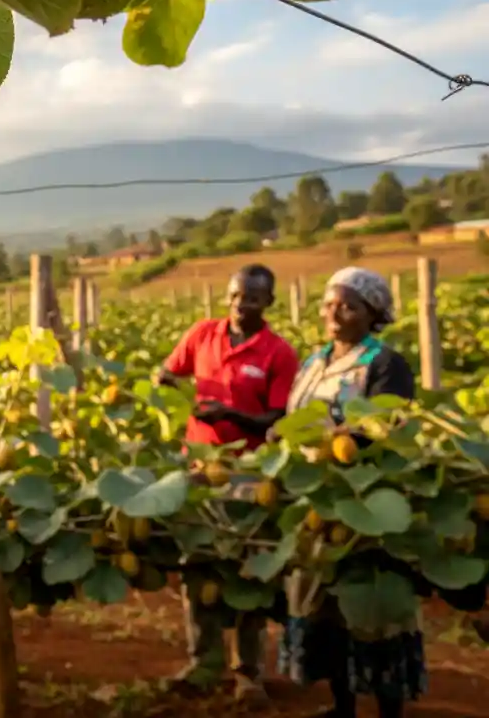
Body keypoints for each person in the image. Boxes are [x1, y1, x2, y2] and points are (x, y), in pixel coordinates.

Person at [275, 267, 422, 718]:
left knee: (374, 612)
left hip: (368, 499)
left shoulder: (384, 363)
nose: (334, 313)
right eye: (329, 305)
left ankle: (388, 710)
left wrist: (338, 443)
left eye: (348, 305)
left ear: (372, 313)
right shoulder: (313, 361)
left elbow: (387, 427)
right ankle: (343, 706)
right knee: (327, 609)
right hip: (318, 502)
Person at [155, 263, 300, 703]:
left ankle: (248, 671)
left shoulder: (278, 352)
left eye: (251, 298)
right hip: (199, 469)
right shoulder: (203, 334)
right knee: (197, 566)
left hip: (251, 473)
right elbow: (169, 372)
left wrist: (231, 415)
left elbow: (278, 417)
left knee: (249, 570)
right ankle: (204, 662)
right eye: (235, 296)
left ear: (268, 303)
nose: (240, 305)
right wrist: (165, 387)